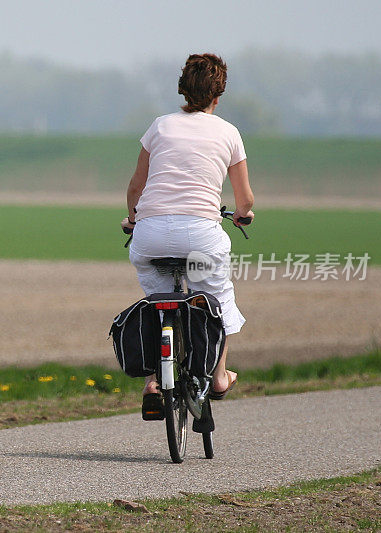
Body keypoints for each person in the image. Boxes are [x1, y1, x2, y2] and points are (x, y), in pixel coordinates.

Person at [121, 53, 254, 419]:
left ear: (182, 88)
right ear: (218, 94)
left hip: (150, 234)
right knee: (216, 296)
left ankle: (152, 380)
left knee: (156, 298)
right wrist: (243, 215)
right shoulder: (228, 133)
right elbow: (244, 199)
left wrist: (133, 219)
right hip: (201, 235)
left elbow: (136, 187)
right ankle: (219, 376)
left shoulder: (160, 127)